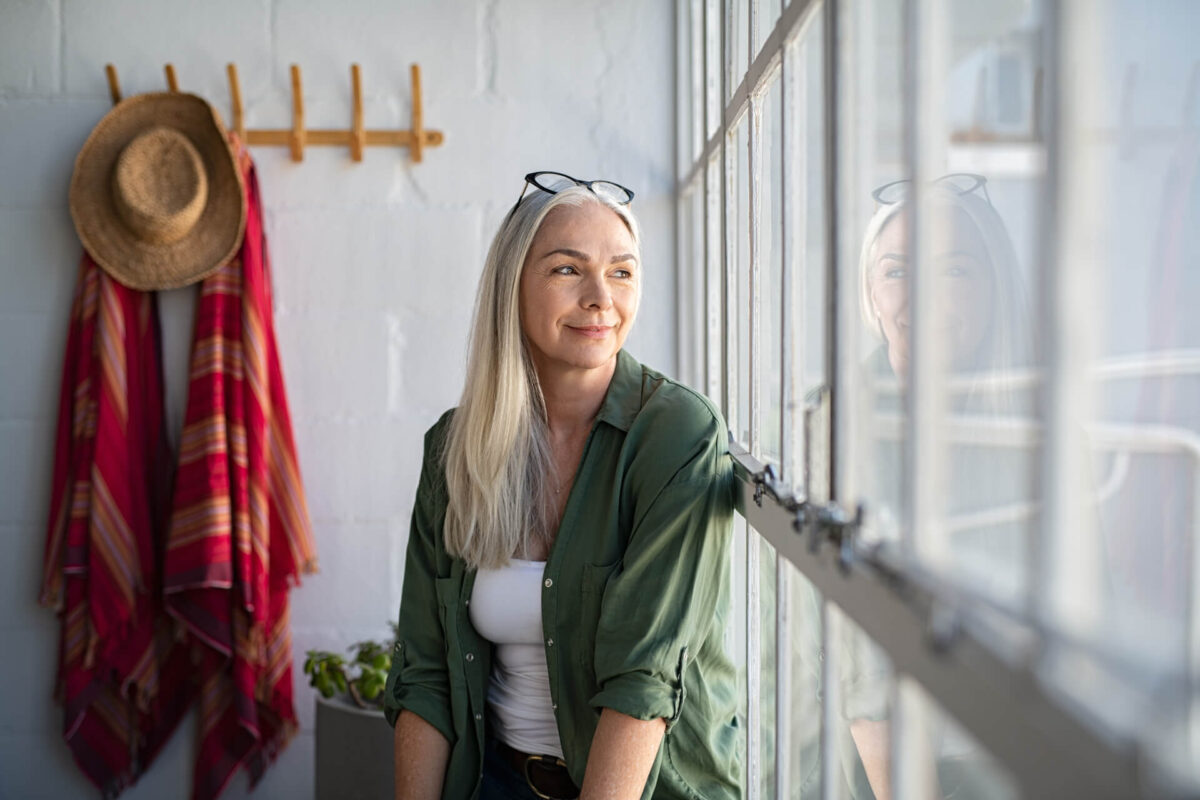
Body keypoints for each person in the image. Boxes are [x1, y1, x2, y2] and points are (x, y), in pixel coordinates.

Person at [383, 171, 742, 800]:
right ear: (512, 286)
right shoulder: (454, 447)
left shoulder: (677, 436)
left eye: (622, 272)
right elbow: (426, 670)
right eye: (567, 269)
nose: (601, 298)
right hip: (493, 779)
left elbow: (642, 684)